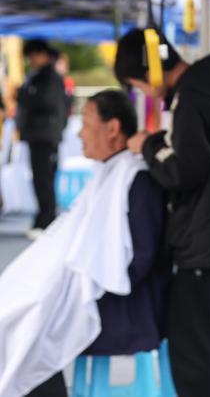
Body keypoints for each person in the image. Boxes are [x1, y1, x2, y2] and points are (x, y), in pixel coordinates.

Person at [0, 90, 167, 396]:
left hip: (120, 301)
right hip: (84, 286)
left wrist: (81, 284)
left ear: (112, 128)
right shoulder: (107, 172)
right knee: (14, 310)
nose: (79, 133)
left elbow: (140, 259)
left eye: (87, 123)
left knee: (29, 325)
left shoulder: (137, 179)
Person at [115, 29, 210, 397]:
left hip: (202, 244)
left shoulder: (191, 96)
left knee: (194, 356)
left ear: (151, 70)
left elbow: (184, 171)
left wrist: (148, 145)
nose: (145, 93)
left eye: (138, 85)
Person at [16, 39, 67, 238]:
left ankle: (47, 221)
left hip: (45, 135)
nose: (31, 61)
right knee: (40, 178)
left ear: (42, 55)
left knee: (44, 179)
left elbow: (45, 102)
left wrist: (25, 96)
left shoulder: (49, 78)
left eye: (32, 56)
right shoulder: (39, 76)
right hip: (40, 135)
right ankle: (43, 219)